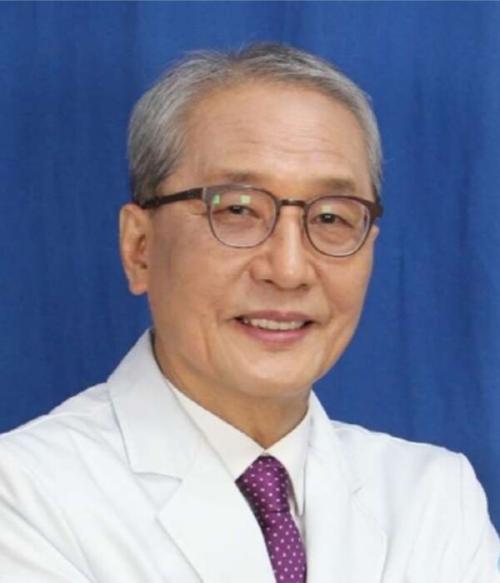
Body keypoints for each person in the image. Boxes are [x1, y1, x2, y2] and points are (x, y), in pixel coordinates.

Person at [0, 43, 498, 583]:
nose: (289, 269)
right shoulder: (25, 495)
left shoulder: (435, 499)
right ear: (139, 248)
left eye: (331, 218)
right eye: (237, 210)